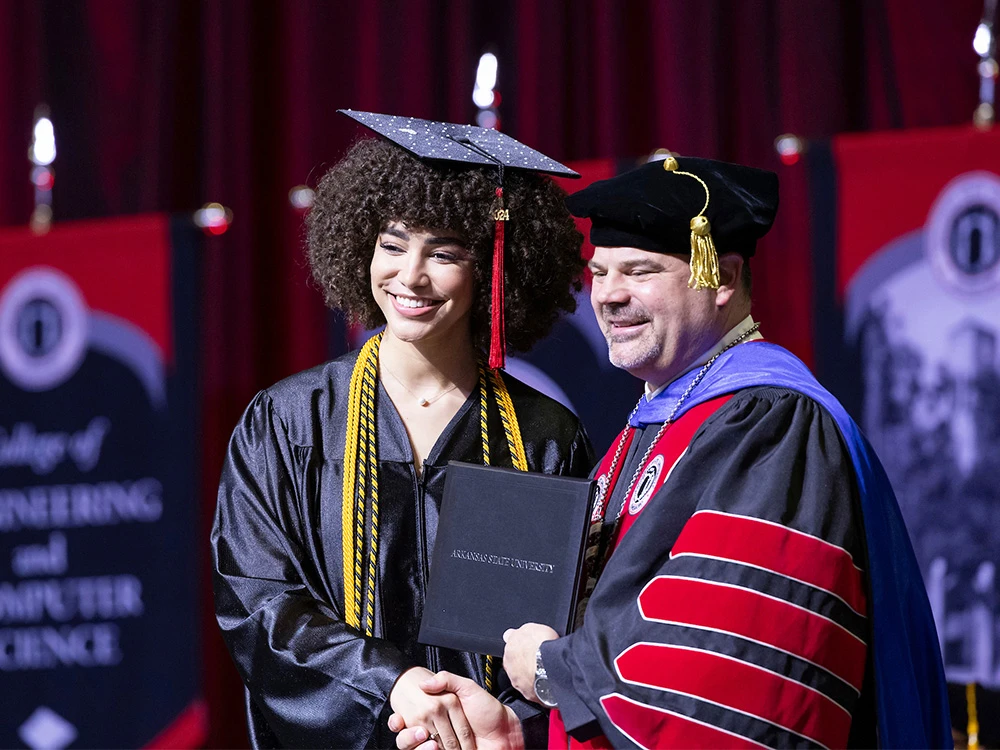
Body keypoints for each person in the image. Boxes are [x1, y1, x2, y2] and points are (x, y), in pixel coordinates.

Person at [395, 155, 952, 749]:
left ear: (725, 278)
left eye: (638, 271)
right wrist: (522, 730)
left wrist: (553, 670)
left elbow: (727, 667)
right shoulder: (642, 430)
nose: (607, 297)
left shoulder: (772, 424)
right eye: (599, 272)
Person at [211, 111, 594, 749]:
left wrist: (499, 724)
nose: (410, 276)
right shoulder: (288, 421)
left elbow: (565, 623)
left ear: (494, 268)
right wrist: (393, 685)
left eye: (444, 253)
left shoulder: (544, 435)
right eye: (393, 244)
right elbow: (257, 599)